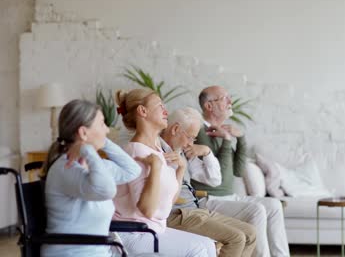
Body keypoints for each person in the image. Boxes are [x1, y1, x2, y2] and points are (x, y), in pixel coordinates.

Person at [112, 89, 216, 257]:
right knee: (197, 250)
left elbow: (168, 203)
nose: (166, 111)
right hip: (132, 233)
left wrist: (181, 169)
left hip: (153, 228)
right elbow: (147, 210)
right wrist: (156, 168)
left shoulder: (157, 150)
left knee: (208, 245)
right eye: (160, 106)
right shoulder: (135, 151)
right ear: (143, 111)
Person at [193, 85, 290, 257]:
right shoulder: (199, 132)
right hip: (209, 198)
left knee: (274, 205)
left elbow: (237, 171)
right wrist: (227, 140)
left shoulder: (222, 132)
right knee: (257, 210)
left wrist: (241, 138)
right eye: (224, 98)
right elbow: (219, 177)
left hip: (228, 197)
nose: (230, 102)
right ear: (209, 106)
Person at [42, 99, 143, 257]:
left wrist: (102, 142)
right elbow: (106, 191)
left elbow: (132, 170)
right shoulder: (66, 169)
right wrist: (87, 148)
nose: (107, 130)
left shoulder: (96, 167)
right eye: (102, 124)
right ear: (83, 132)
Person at [161, 107, 257, 257]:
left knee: (251, 233)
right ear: (175, 129)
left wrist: (207, 151)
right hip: (179, 214)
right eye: (191, 137)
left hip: (196, 210)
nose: (191, 143)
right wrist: (181, 168)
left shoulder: (181, 150)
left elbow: (214, 180)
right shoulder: (160, 152)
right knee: (236, 239)